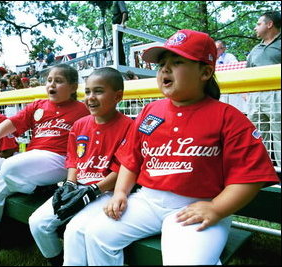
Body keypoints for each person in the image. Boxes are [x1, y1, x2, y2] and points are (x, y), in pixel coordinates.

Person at [67, 29, 279, 266]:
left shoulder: (228, 117)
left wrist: (217, 209)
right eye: (161, 64)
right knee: (97, 233)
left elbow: (249, 178)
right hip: (147, 200)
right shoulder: (150, 111)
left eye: (177, 62)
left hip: (199, 203)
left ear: (206, 72)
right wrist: (120, 192)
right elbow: (131, 160)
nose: (165, 69)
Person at [0, 64, 89, 266]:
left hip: (59, 160)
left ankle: (39, 188)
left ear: (73, 87)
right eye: (49, 80)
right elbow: (13, 123)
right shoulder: (38, 105)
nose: (52, 84)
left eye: (59, 81)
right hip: (33, 159)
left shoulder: (82, 109)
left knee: (10, 166)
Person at [28, 67, 133, 266]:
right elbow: (74, 160)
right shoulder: (80, 124)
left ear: (118, 96)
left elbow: (122, 169)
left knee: (75, 231)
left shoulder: (129, 126)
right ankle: (56, 261)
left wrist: (93, 191)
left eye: (99, 91)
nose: (90, 98)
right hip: (78, 186)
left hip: (106, 191)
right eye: (88, 92)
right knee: (37, 223)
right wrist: (69, 184)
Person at [246, 11, 281, 168]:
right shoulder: (255, 49)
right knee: (258, 135)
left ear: (269, 24)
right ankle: (262, 171)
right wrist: (246, 93)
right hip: (256, 96)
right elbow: (247, 72)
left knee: (279, 133)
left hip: (277, 94)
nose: (255, 28)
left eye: (258, 24)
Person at [112, 1, 129, 66]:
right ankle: (119, 61)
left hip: (118, 26)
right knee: (116, 43)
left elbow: (125, 12)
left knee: (118, 43)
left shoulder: (119, 1)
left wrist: (122, 23)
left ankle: (122, 63)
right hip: (115, 26)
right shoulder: (114, 3)